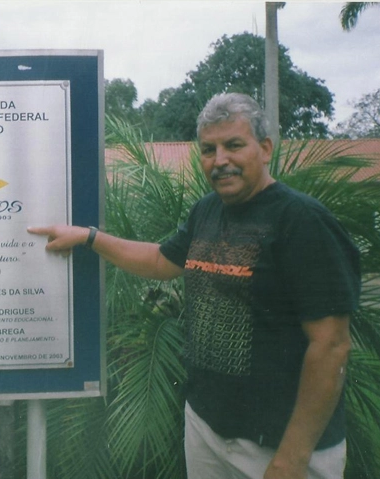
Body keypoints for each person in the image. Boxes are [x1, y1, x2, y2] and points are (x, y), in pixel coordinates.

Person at [28, 93, 360, 479]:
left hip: (277, 448)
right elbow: (161, 261)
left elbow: (331, 345)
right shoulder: (208, 210)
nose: (220, 160)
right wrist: (89, 238)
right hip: (207, 428)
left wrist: (291, 459)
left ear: (265, 148)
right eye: (209, 149)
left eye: (234, 145)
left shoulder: (301, 221)